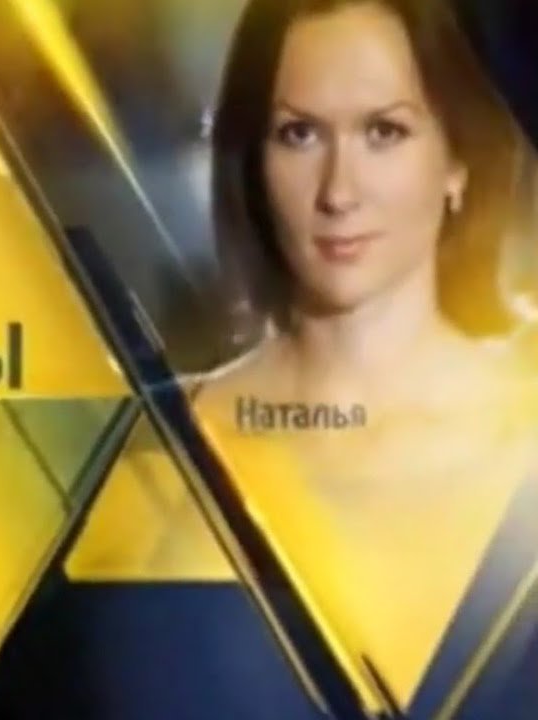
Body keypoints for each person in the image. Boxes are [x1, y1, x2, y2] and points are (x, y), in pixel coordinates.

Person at [184, 0, 537, 707]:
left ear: (458, 161)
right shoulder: (159, 449)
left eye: (384, 131)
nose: (339, 192)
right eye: (299, 134)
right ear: (253, 162)